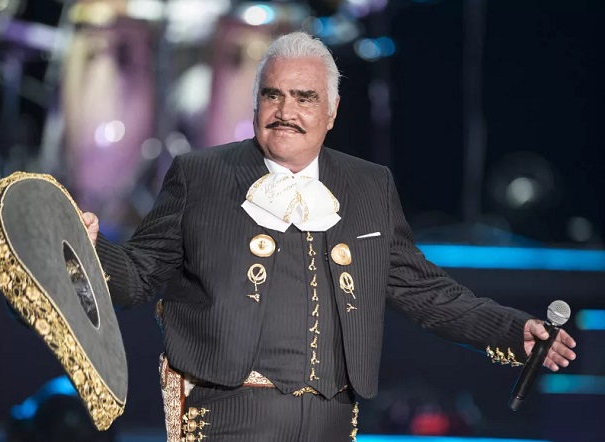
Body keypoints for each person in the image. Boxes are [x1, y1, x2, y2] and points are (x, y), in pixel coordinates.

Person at [82, 31, 576, 441]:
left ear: (332, 112)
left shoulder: (368, 186)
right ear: (256, 105)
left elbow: (426, 292)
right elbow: (136, 278)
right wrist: (88, 245)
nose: (285, 110)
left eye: (304, 97)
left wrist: (512, 330)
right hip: (227, 421)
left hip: (332, 425)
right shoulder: (200, 175)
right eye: (272, 95)